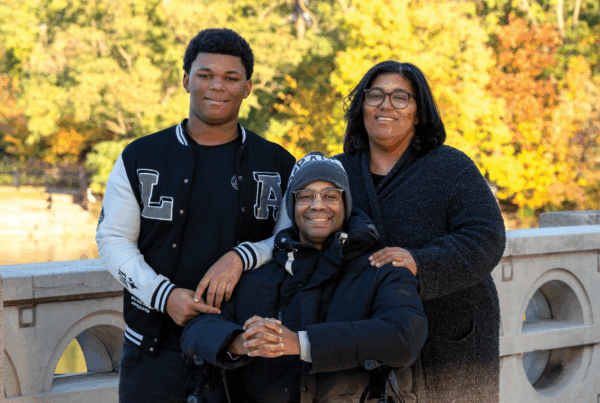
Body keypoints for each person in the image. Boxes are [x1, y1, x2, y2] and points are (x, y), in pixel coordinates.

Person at [213, 61, 506, 402]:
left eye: (400, 97)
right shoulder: (338, 170)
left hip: (448, 331)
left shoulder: (451, 166)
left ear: (418, 110)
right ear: (361, 107)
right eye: (375, 95)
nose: (386, 105)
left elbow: (487, 237)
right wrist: (239, 258)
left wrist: (419, 262)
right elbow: (289, 233)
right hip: (363, 333)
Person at [95, 28, 296, 403]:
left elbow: (293, 242)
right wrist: (163, 295)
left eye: (230, 77)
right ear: (186, 80)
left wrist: (242, 256)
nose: (216, 86)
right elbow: (112, 239)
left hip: (241, 352)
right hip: (152, 352)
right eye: (205, 75)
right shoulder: (140, 157)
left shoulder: (279, 163)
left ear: (247, 87)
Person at [181, 152, 428, 403]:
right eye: (305, 196)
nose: (317, 205)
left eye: (330, 196)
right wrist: (239, 342)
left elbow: (404, 337)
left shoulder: (383, 269)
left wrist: (301, 343)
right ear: (292, 206)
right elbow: (195, 329)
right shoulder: (255, 277)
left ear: (346, 205)